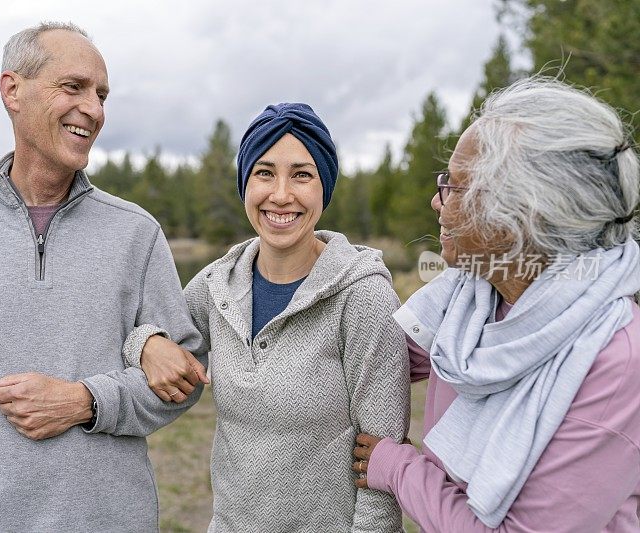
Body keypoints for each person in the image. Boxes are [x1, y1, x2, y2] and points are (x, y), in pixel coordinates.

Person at [0, 22, 204, 532]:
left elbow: (184, 382)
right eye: (73, 87)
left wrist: (85, 402)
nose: (93, 109)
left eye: (101, 94)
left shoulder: (136, 233)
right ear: (12, 91)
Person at [353, 77, 640, 532]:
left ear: (523, 216)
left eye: (456, 186)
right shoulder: (470, 296)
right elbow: (371, 357)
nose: (436, 200)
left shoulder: (615, 364)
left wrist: (400, 469)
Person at [122, 103, 411, 531]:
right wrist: (145, 343)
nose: (280, 194)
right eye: (264, 173)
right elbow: (152, 332)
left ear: (323, 188)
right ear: (244, 185)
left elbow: (381, 461)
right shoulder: (216, 285)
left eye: (301, 174)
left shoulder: (365, 297)